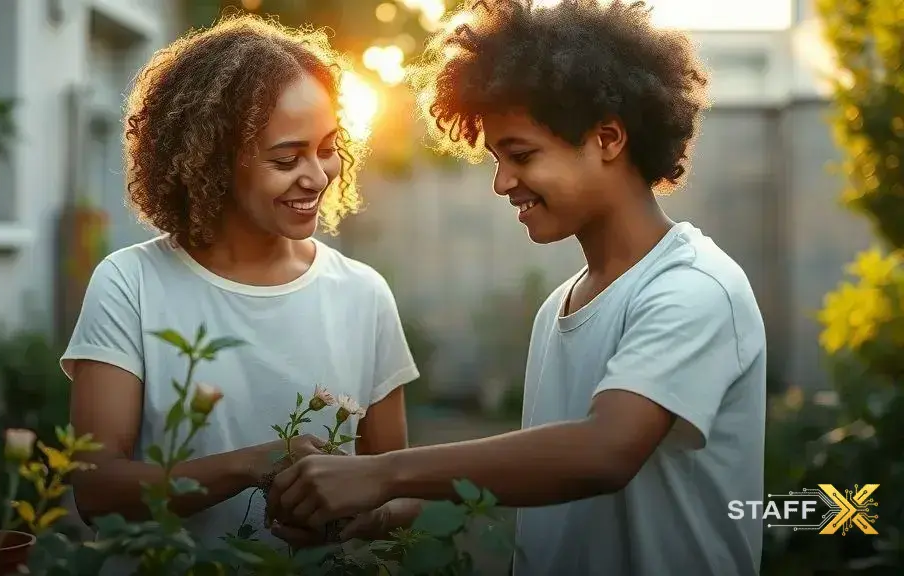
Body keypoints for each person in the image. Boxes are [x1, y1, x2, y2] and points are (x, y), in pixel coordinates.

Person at [267, 1, 767, 575]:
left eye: (522, 155)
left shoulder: (694, 288)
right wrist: (384, 509)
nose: (503, 183)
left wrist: (381, 471)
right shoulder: (561, 306)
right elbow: (544, 484)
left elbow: (604, 453)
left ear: (607, 137)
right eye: (497, 160)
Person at [61, 14, 418, 550]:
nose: (318, 176)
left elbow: (400, 487)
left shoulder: (363, 294)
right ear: (212, 161)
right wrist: (258, 462)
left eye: (327, 147)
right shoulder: (129, 283)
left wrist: (363, 520)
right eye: (286, 157)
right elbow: (95, 490)